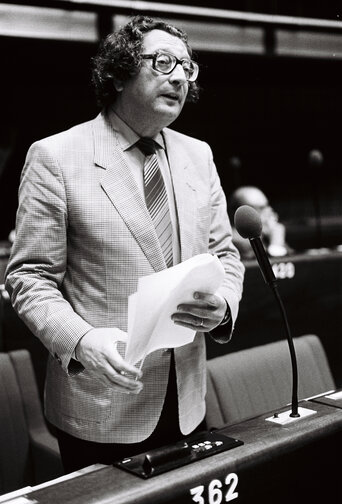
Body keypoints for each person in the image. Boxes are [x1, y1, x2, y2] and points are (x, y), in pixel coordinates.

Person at [5, 15, 244, 473]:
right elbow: (29, 279)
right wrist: (82, 339)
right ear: (117, 73)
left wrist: (225, 305)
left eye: (187, 67)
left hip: (188, 398)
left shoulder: (199, 154)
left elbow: (226, 254)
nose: (179, 76)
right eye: (163, 62)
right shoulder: (56, 156)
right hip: (102, 402)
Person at [228, 186, 290, 259]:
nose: (270, 211)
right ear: (243, 213)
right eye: (262, 208)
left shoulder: (266, 234)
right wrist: (276, 243)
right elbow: (265, 266)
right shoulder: (236, 241)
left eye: (268, 206)